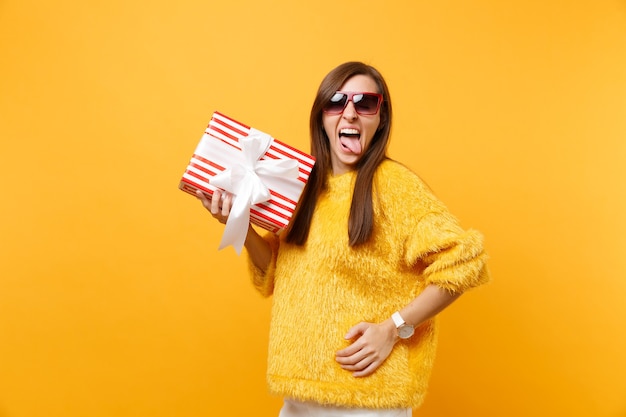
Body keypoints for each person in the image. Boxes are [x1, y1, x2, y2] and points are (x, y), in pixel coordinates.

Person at [196, 61, 490, 417]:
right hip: (299, 399)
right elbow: (276, 273)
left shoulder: (395, 186)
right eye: (337, 101)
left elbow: (465, 262)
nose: (350, 112)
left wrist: (395, 328)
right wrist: (238, 223)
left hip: (366, 401)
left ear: (380, 118)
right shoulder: (300, 188)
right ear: (322, 116)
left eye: (365, 103)